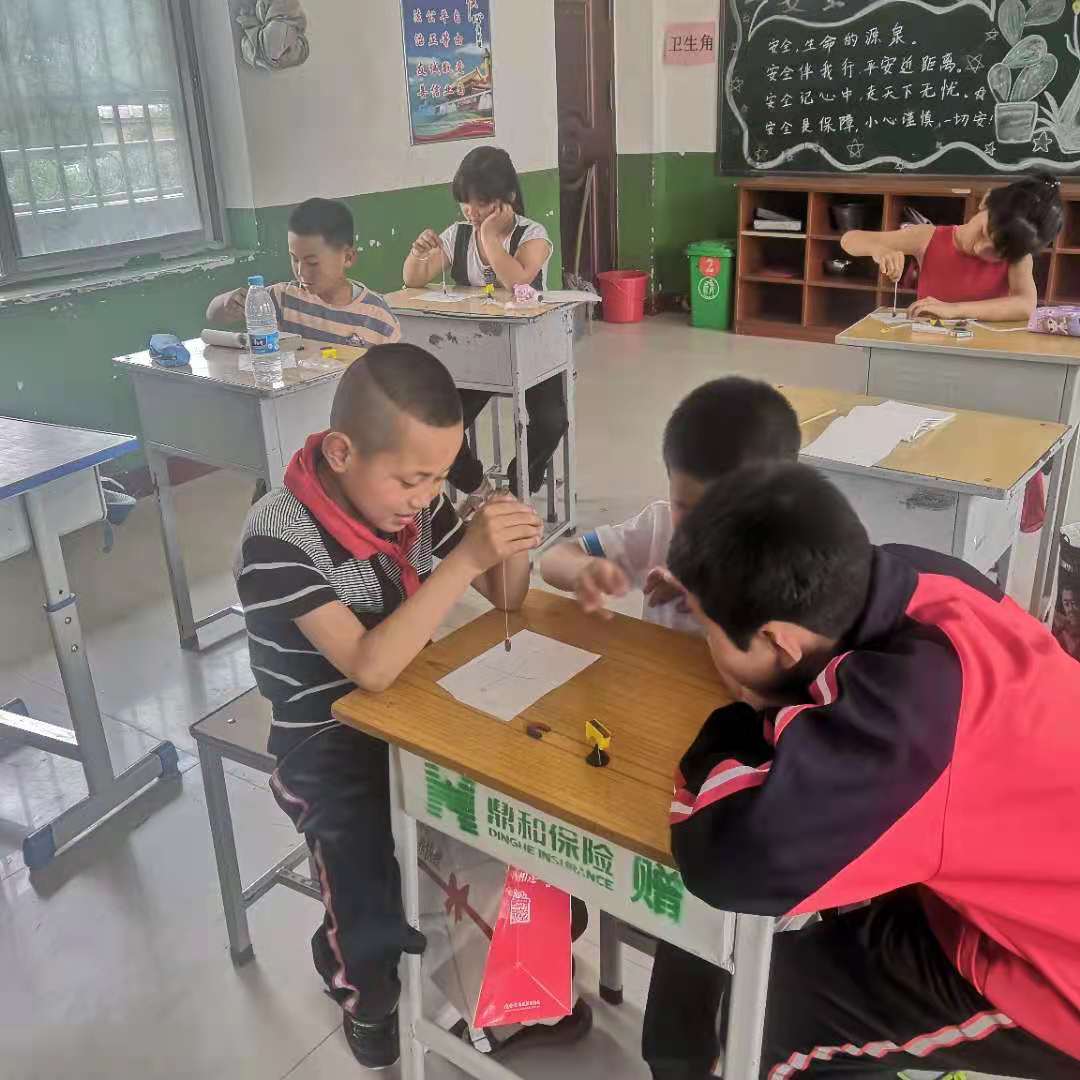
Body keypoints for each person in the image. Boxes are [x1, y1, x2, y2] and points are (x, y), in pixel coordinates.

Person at [643, 462, 1080, 1079]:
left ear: (779, 643)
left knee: (776, 1021)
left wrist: (747, 711)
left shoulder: (911, 724)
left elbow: (727, 859)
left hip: (1049, 970)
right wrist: (720, 598)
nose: (705, 645)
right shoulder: (915, 576)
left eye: (710, 634)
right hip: (1016, 853)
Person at [235, 344, 543, 1069]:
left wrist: (507, 538)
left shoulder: (412, 505)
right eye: (412, 479)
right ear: (341, 452)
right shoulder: (279, 534)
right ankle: (364, 991)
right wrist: (464, 559)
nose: (426, 496)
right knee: (361, 865)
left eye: (440, 477)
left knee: (513, 791)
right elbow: (368, 668)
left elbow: (507, 597)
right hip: (323, 733)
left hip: (410, 703)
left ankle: (516, 937)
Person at [540, 378, 800, 631]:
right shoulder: (659, 526)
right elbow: (554, 559)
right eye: (683, 505)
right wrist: (582, 570)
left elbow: (786, 646)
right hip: (653, 660)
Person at [402, 146, 565, 509]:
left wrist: (490, 239)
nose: (472, 212)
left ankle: (519, 485)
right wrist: (418, 253)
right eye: (465, 203)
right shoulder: (457, 235)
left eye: (482, 203)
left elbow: (517, 282)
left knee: (551, 421)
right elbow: (413, 280)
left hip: (532, 349)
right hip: (472, 355)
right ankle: (478, 488)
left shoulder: (532, 235)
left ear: (508, 197)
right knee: (437, 422)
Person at [840, 173, 1064, 321]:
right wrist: (879, 250)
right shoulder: (928, 238)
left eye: (997, 252)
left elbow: (1025, 304)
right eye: (984, 232)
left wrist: (955, 310)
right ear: (985, 201)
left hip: (985, 351)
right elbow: (849, 239)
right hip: (930, 346)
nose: (981, 248)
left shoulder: (1018, 255)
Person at [208, 197, 401, 350]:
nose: (301, 271)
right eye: (294, 259)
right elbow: (213, 315)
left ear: (348, 257)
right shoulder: (283, 299)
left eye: (312, 263)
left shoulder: (378, 318)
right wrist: (226, 303)